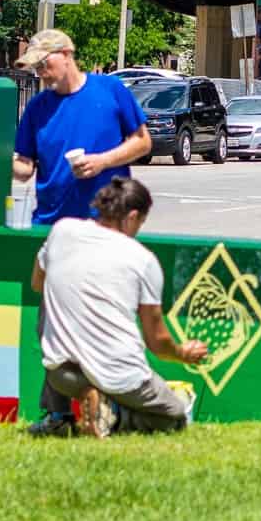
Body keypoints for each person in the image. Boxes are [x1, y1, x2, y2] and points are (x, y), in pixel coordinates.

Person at [27, 177, 206, 436]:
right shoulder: (142, 259)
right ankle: (112, 414)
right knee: (175, 417)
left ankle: (60, 416)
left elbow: (37, 282)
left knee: (51, 299)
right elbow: (157, 341)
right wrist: (183, 354)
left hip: (62, 375)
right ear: (132, 217)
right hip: (121, 375)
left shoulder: (61, 231)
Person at [13, 30, 150, 226]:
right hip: (51, 223)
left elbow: (143, 142)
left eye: (43, 62)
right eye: (36, 66)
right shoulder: (37, 107)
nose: (41, 72)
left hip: (106, 222)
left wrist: (103, 161)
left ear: (67, 54)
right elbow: (25, 168)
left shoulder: (110, 88)